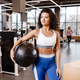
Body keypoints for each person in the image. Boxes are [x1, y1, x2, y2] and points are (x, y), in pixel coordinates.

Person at [10, 7, 62, 80]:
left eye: (46, 17)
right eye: (41, 17)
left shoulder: (56, 33)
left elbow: (58, 49)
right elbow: (21, 40)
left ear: (50, 19)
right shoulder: (36, 32)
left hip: (52, 64)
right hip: (39, 64)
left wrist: (58, 67)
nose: (43, 19)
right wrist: (12, 49)